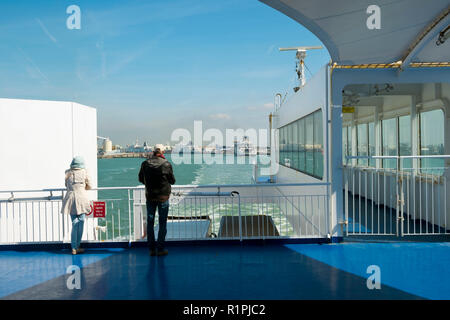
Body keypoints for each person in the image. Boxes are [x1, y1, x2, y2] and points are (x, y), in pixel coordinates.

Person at [139, 148, 176, 256]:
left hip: (150, 197)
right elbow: (172, 181)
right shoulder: (166, 164)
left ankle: (151, 249)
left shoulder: (145, 164)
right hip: (163, 197)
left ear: (153, 153)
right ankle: (160, 249)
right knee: (162, 222)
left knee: (150, 223)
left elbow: (141, 178)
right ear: (162, 153)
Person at [61, 156, 92, 255]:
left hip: (70, 199)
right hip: (81, 198)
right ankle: (77, 246)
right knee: (81, 221)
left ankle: (74, 247)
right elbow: (90, 186)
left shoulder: (67, 172)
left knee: (74, 223)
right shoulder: (85, 172)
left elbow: (66, 185)